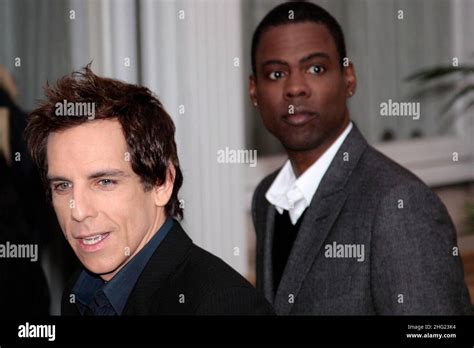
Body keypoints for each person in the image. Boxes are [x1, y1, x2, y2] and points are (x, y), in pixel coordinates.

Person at [249, 1, 472, 315]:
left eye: (315, 69)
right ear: (254, 91)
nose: (295, 88)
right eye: (276, 73)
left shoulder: (399, 205)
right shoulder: (267, 199)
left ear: (348, 78)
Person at [25, 66, 274, 315]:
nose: (77, 210)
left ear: (162, 184)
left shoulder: (225, 307)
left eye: (104, 182)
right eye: (62, 186)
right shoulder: (80, 293)